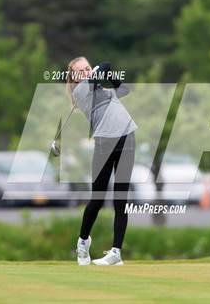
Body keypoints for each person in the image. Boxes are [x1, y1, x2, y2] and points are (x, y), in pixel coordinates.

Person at [66, 56, 137, 266]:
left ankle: (116, 252)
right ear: (75, 79)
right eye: (82, 71)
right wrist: (99, 70)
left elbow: (125, 89)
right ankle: (82, 242)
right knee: (97, 198)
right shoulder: (80, 92)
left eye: (88, 68)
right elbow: (105, 64)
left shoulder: (104, 90)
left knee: (120, 200)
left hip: (127, 138)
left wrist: (108, 76)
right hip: (104, 144)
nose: (87, 72)